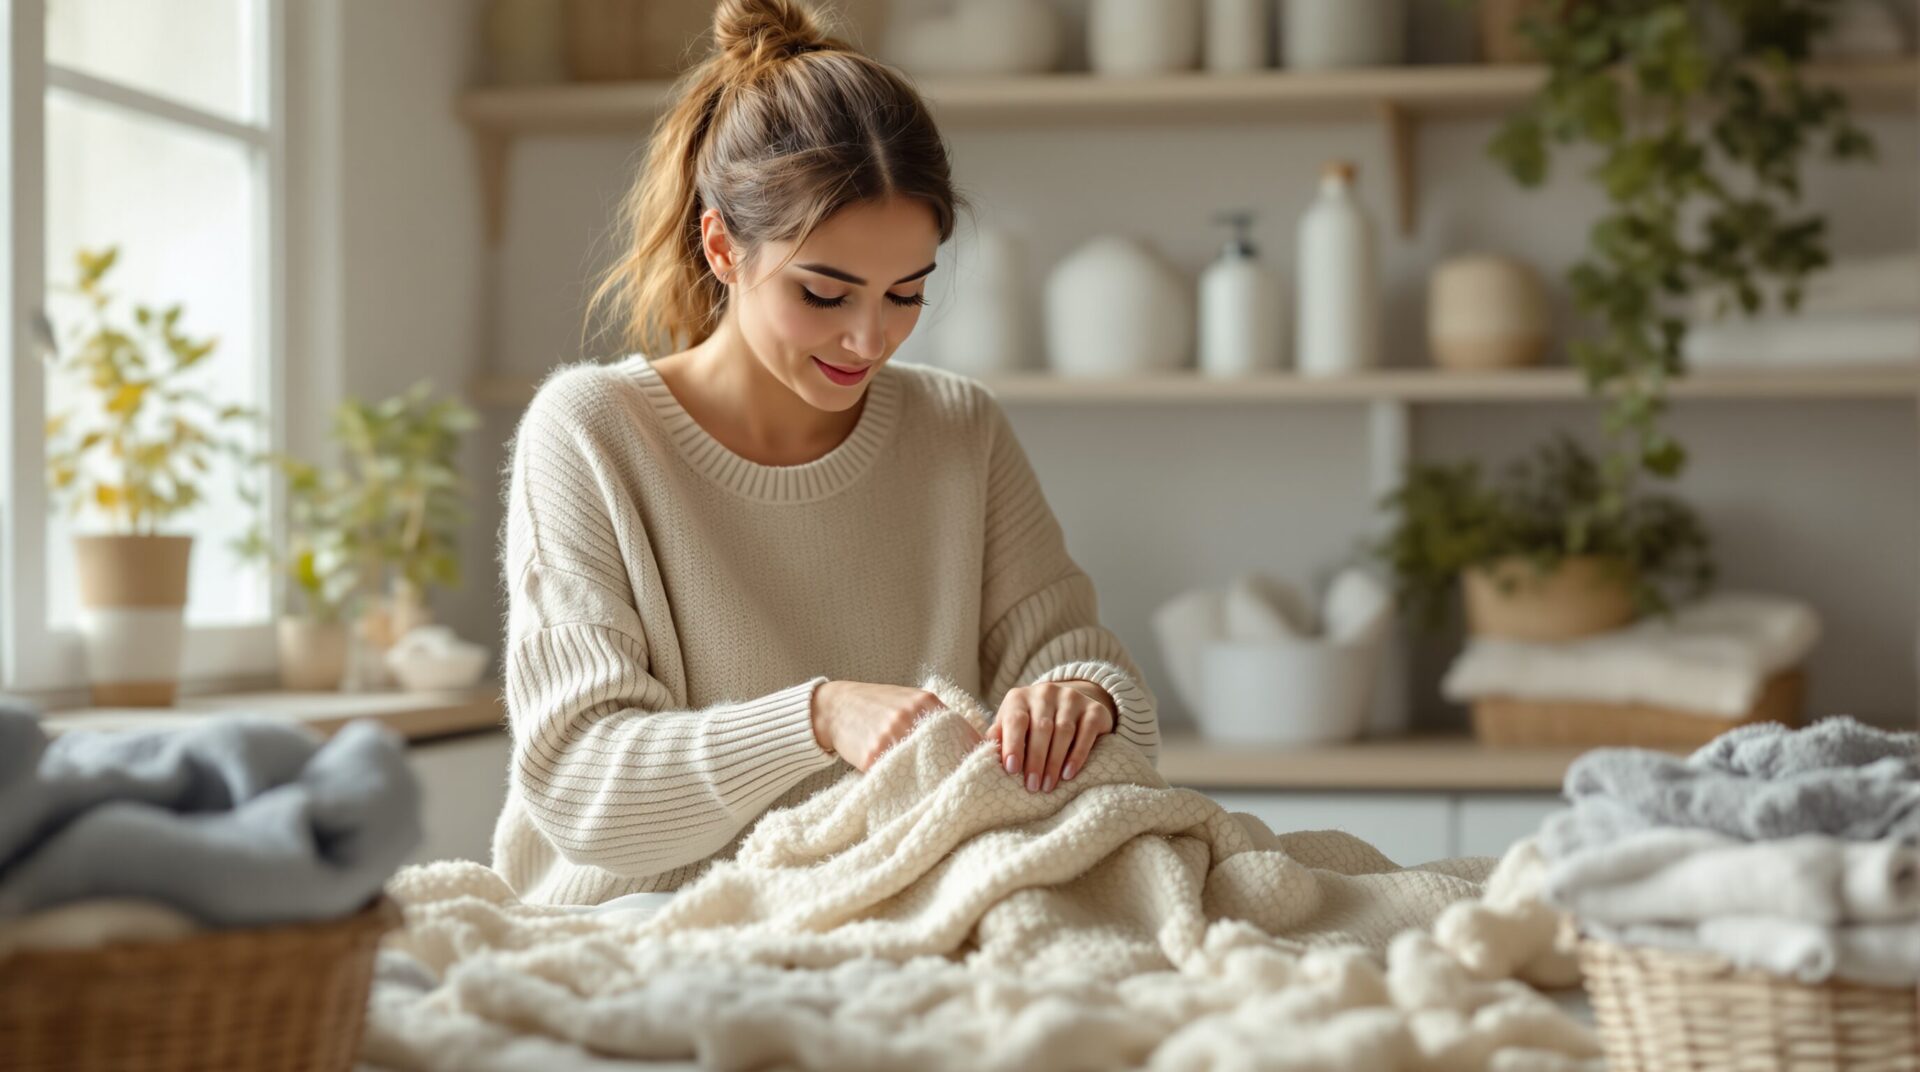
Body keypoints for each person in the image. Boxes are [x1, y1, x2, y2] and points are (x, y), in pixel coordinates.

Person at [492, 0, 1160, 906]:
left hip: (896, 905)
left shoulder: (960, 429)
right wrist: (817, 718)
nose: (868, 338)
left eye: (906, 294)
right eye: (824, 293)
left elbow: (1085, 673)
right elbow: (581, 786)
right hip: (644, 927)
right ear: (722, 245)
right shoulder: (591, 432)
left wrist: (1083, 699)